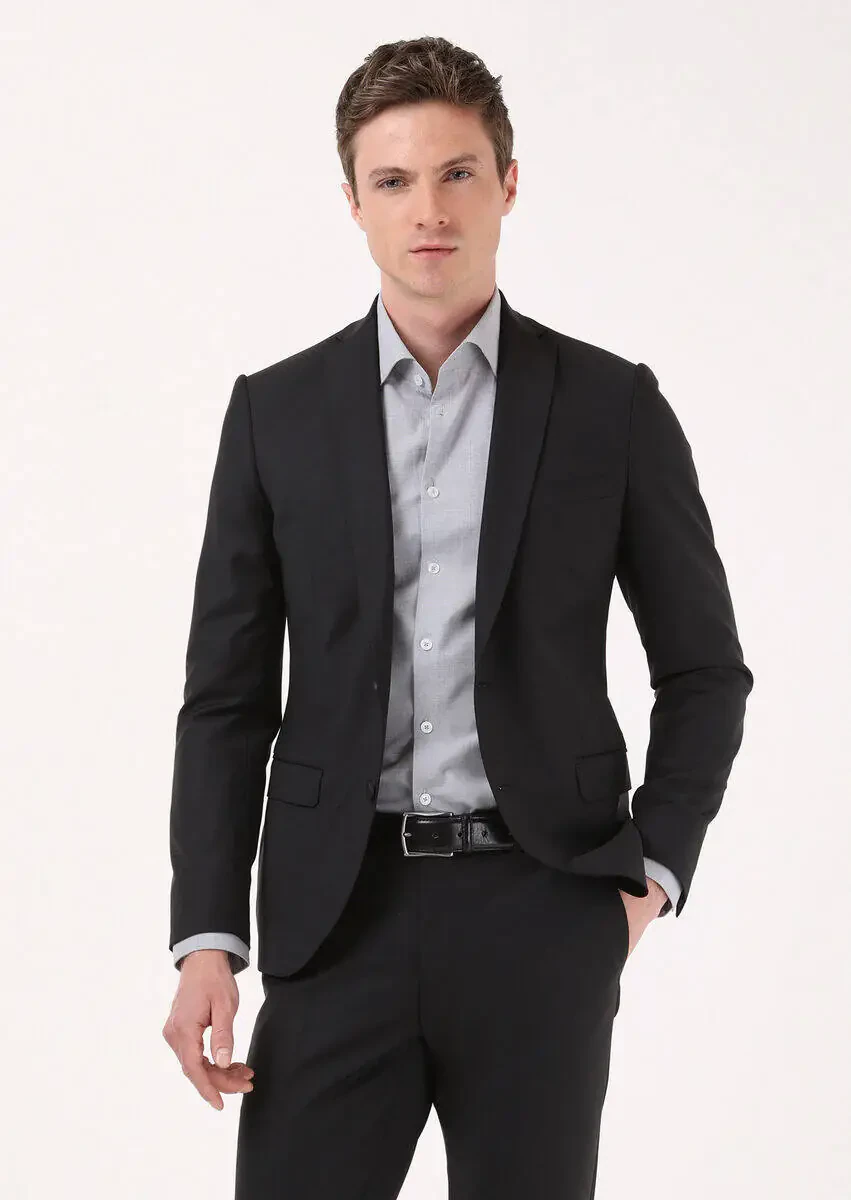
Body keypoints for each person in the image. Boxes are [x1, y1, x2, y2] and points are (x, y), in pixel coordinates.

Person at [162, 35, 753, 1199]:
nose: (427, 210)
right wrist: (207, 937)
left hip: (542, 909)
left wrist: (649, 874)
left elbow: (703, 671)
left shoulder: (609, 407)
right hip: (336, 917)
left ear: (507, 184)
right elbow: (225, 701)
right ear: (352, 202)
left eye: (456, 173)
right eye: (392, 180)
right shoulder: (275, 414)